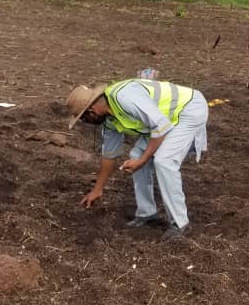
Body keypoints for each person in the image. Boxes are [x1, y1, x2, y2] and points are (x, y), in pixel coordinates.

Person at [66, 76, 208, 241]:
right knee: (135, 155)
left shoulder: (124, 97)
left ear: (92, 110)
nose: (86, 123)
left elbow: (161, 126)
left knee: (164, 161)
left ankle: (180, 223)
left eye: (83, 118)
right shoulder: (109, 120)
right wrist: (98, 189)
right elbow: (109, 156)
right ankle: (147, 213)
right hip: (166, 118)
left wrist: (143, 160)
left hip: (188, 109)